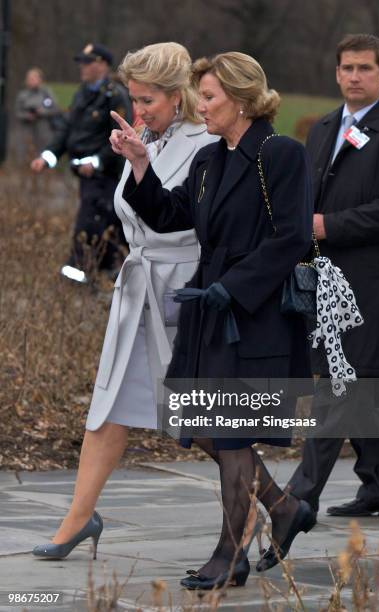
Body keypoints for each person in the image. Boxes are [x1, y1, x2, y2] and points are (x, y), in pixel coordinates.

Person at [109, 51, 315, 589]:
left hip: (254, 314)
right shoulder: (210, 160)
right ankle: (284, 508)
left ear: (243, 100)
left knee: (229, 435)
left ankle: (231, 553)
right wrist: (139, 164)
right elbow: (173, 216)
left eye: (210, 96)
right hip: (212, 309)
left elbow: (292, 237)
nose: (201, 105)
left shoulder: (281, 153)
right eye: (201, 95)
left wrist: (235, 288)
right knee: (209, 424)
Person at [31, 42, 218, 560]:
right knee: (108, 406)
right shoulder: (150, 139)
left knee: (195, 414)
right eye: (134, 98)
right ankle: (77, 518)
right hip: (138, 287)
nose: (138, 110)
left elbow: (173, 217)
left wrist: (138, 162)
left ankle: (271, 498)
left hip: (178, 291)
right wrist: (137, 154)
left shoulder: (207, 144)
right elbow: (130, 216)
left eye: (148, 100)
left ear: (178, 95)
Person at [287, 34, 379, 518]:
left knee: (339, 385)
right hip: (325, 280)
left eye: (364, 68)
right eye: (346, 68)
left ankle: (297, 497)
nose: (354, 76)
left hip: (374, 285)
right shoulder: (321, 129)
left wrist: (327, 225)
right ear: (336, 74)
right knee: (364, 387)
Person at [30, 43, 132, 282]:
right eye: (82, 63)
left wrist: (96, 162)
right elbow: (67, 130)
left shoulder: (114, 95)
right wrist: (47, 157)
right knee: (108, 222)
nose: (83, 67)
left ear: (103, 64)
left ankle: (78, 272)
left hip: (105, 175)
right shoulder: (82, 93)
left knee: (92, 221)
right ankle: (110, 271)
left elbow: (120, 137)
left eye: (89, 62)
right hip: (84, 174)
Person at [15, 67, 61, 163]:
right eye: (29, 79)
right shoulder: (22, 95)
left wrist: (42, 111)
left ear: (40, 79)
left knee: (44, 156)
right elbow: (17, 112)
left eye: (33, 78)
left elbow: (55, 108)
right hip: (27, 132)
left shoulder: (46, 93)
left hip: (44, 131)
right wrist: (27, 115)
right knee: (26, 158)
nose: (31, 81)